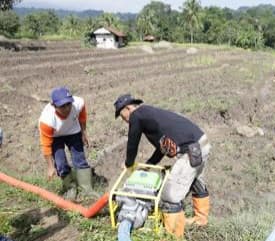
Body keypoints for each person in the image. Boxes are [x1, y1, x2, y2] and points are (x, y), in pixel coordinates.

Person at [114, 94, 211, 238]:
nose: (125, 120)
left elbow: (132, 142)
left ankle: (173, 236)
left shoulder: (137, 115)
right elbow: (163, 147)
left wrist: (128, 164)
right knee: (196, 182)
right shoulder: (150, 115)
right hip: (201, 143)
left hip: (190, 151)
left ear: (128, 108)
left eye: (122, 116)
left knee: (169, 196)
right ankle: (200, 221)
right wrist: (149, 165)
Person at [39, 87, 98, 200]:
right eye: (62, 106)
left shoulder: (78, 103)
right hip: (55, 136)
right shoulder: (47, 120)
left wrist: (84, 133)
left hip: (73, 131)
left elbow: (82, 117)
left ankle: (87, 189)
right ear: (54, 106)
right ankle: (70, 188)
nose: (67, 108)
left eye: (68, 104)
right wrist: (50, 167)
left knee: (79, 158)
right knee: (60, 163)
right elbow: (46, 146)